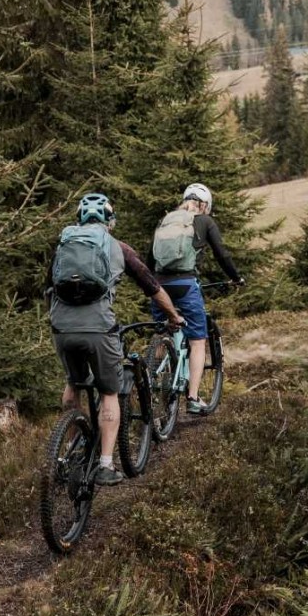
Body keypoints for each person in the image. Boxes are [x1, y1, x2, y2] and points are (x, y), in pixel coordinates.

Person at [48, 192, 184, 487]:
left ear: (79, 220)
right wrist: (173, 316)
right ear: (109, 221)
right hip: (99, 329)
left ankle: (71, 450)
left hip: (61, 328)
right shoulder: (119, 247)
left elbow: (49, 286)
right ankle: (106, 464)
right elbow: (152, 287)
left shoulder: (64, 246)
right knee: (109, 393)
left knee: (74, 384)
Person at [150, 182, 243, 415]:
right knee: (197, 341)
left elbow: (149, 258)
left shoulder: (166, 220)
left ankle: (151, 381)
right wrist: (236, 278)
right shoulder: (204, 220)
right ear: (204, 205)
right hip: (185, 284)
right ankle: (192, 397)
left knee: (162, 332)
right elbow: (222, 254)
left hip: (158, 286)